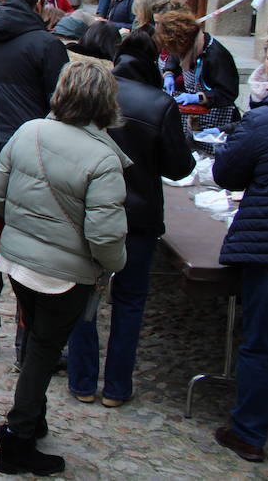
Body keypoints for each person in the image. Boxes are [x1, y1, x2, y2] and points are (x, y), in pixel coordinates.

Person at [0, 60, 128, 476]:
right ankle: (18, 439)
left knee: (35, 339)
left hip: (18, 261)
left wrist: (25, 230)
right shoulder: (103, 159)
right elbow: (105, 237)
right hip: (64, 275)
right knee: (43, 351)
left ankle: (32, 418)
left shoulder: (29, 130)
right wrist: (115, 266)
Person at [66, 32, 192, 408]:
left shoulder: (92, 92)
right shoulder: (159, 103)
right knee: (130, 301)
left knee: (83, 294)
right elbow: (179, 167)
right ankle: (117, 387)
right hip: (138, 217)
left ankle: (82, 380)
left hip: (91, 210)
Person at [0, 0, 68, 360]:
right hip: (32, 158)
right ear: (39, 4)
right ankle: (29, 338)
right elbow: (62, 106)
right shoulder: (46, 45)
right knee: (31, 250)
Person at [211, 61, 268, 464]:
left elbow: (227, 172)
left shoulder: (263, 122)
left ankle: (249, 432)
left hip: (266, 247)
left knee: (260, 344)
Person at [155, 7, 241, 133]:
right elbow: (174, 56)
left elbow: (228, 93)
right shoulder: (188, 47)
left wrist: (198, 98)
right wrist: (169, 73)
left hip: (217, 119)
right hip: (195, 117)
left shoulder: (216, 55)